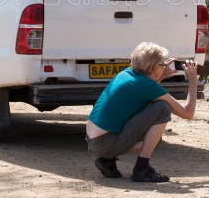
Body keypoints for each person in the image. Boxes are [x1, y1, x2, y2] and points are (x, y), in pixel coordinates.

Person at [85, 41, 199, 182]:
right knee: (162, 109)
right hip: (105, 143)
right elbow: (188, 113)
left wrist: (161, 76)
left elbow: (143, 91)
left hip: (93, 141)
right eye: (162, 65)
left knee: (148, 110)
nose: (164, 67)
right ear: (152, 67)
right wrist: (193, 79)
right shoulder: (146, 85)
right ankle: (142, 169)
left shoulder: (126, 74)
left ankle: (106, 161)